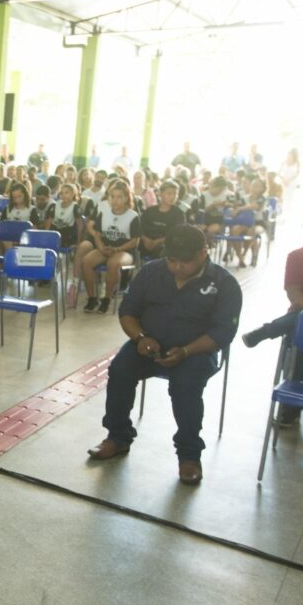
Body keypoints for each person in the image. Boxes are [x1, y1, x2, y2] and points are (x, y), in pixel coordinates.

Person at [87, 225, 242, 485]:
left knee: (185, 386)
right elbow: (127, 311)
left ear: (204, 252)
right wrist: (140, 338)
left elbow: (223, 333)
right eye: (172, 260)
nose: (178, 267)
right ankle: (117, 436)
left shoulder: (225, 284)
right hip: (148, 344)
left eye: (185, 261)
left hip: (196, 351)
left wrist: (186, 351)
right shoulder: (152, 272)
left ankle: (189, 455)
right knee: (120, 370)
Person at [242, 202, 303, 420]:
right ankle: (292, 405)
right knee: (300, 327)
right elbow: (296, 297)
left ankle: (270, 330)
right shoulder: (297, 256)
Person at [80, 179, 140, 314]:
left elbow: (135, 241)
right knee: (87, 262)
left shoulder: (133, 216)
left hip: (124, 250)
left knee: (113, 263)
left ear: (126, 198)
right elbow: (98, 234)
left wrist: (117, 249)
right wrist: (101, 247)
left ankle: (106, 299)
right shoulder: (104, 212)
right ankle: (92, 298)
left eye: (119, 197)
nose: (115, 200)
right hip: (105, 247)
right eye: (112, 196)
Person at [140, 181, 186, 258]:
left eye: (175, 194)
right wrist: (145, 239)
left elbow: (177, 234)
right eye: (169, 193)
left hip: (165, 245)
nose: (172, 197)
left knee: (162, 249)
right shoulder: (149, 211)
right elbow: (139, 228)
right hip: (146, 242)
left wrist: (157, 242)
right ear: (160, 194)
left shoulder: (179, 214)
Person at [278, 148, 300, 216]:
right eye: (288, 155)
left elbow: (297, 174)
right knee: (281, 197)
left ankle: (285, 214)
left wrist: (289, 180)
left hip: (291, 183)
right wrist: (283, 179)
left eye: (291, 156)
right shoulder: (283, 162)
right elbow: (279, 172)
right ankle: (279, 212)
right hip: (282, 182)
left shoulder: (297, 163)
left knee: (288, 199)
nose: (289, 157)